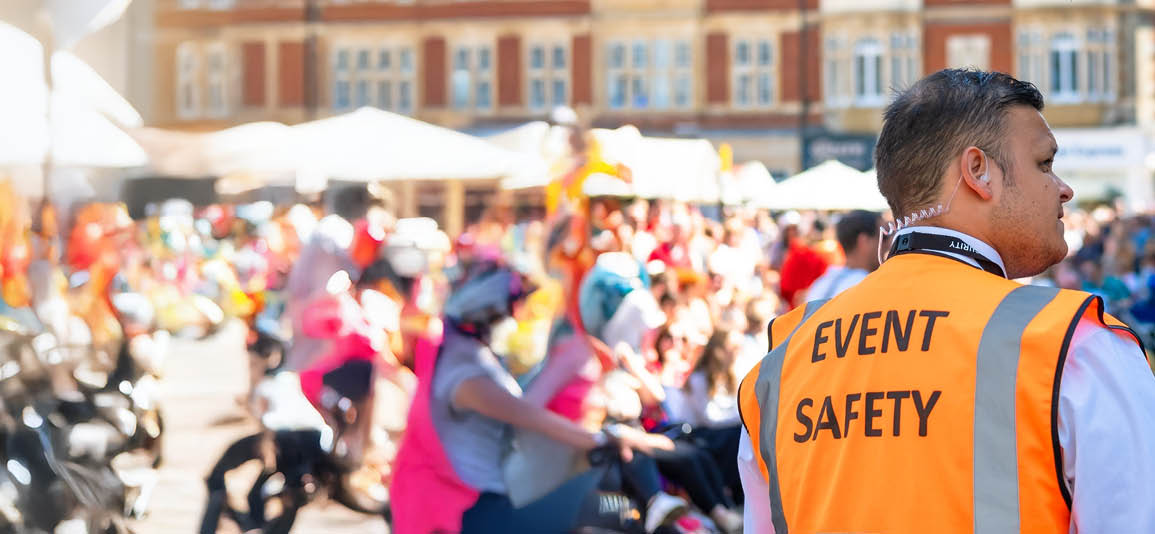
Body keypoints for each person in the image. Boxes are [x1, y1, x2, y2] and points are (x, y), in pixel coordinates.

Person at [738, 69, 1155, 533]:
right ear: (978, 170)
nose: (1063, 188)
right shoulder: (1072, 344)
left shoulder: (783, 357)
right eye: (1043, 163)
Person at [804, 210, 882, 301]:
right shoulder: (869, 286)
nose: (889, 243)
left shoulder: (819, 285)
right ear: (864, 241)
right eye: (883, 237)